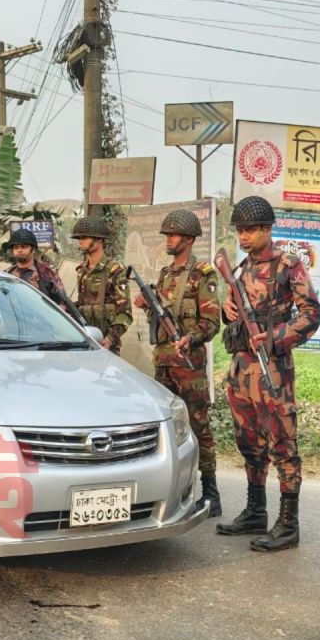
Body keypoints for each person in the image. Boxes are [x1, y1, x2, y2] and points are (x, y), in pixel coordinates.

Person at [215, 195, 320, 552]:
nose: (244, 237)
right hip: (241, 368)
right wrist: (226, 308)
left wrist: (276, 337)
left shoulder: (287, 266)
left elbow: (312, 313)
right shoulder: (241, 268)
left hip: (272, 368)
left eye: (250, 230)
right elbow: (234, 311)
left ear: (268, 229)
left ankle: (288, 523)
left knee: (282, 444)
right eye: (240, 231)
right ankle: (255, 510)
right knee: (249, 442)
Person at [132, 209, 223, 515]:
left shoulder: (204, 274)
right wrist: (147, 304)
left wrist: (191, 338)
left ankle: (211, 492)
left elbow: (212, 323)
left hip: (190, 366)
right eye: (167, 235)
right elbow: (159, 318)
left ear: (188, 238)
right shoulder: (164, 275)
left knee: (199, 427)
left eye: (172, 235)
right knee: (165, 430)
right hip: (164, 364)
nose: (168, 240)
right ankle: (169, 491)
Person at [71, 216, 131, 354]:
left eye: (85, 237)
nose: (81, 241)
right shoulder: (81, 271)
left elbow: (125, 314)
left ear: (99, 239)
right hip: (85, 342)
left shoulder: (115, 270)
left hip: (107, 345)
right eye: (79, 238)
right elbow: (83, 304)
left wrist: (110, 339)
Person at [5, 228, 77, 318]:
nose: (19, 250)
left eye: (24, 247)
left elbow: (62, 302)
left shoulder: (46, 272)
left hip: (41, 324)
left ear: (33, 250)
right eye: (16, 247)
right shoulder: (7, 274)